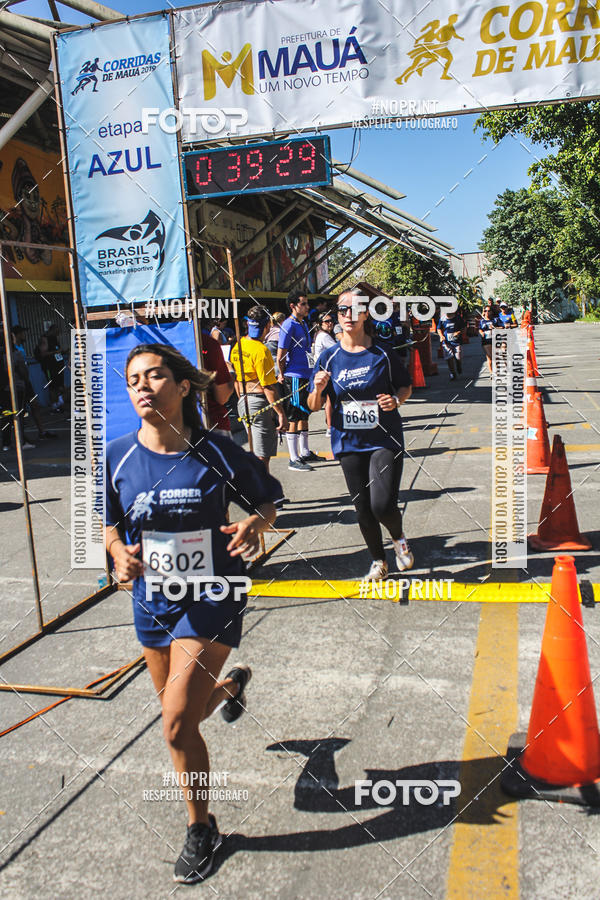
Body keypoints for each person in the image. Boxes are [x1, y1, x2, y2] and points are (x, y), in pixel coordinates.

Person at [105, 343, 282, 884]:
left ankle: (201, 828)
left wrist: (255, 525)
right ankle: (230, 690)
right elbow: (110, 523)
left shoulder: (218, 450)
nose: (142, 386)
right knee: (184, 721)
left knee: (177, 722)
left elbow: (268, 500)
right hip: (153, 602)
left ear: (182, 387)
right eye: (134, 378)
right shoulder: (117, 455)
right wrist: (118, 556)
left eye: (154, 375)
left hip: (214, 594)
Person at [308, 290, 414, 581]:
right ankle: (379, 561)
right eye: (342, 310)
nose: (347, 316)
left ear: (366, 314)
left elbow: (405, 386)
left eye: (354, 310)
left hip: (383, 438)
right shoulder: (328, 357)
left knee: (382, 504)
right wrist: (317, 389)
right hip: (347, 441)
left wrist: (397, 400)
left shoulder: (382, 353)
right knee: (362, 508)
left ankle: (398, 537)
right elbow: (313, 405)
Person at [230, 306, 288, 472]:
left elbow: (235, 378)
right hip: (259, 402)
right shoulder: (262, 351)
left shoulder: (238, 346)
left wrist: (241, 398)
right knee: (262, 454)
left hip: (243, 400)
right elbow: (268, 386)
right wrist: (280, 414)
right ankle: (264, 493)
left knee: (256, 449)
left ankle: (263, 490)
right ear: (267, 326)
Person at [277, 290, 322, 470]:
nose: (307, 306)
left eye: (306, 303)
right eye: (303, 304)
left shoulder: (302, 324)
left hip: (305, 375)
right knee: (294, 414)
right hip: (294, 376)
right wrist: (282, 374)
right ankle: (293, 458)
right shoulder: (288, 325)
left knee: (304, 413)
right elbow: (281, 354)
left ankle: (304, 452)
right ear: (293, 306)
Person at [200, 329, 234, 437]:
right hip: (211, 422)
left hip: (168, 428)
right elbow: (222, 396)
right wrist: (232, 373)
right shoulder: (206, 343)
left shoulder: (152, 342)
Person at [34, 323, 68, 411]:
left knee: (60, 385)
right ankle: (54, 405)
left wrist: (63, 351)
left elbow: (57, 351)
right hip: (50, 366)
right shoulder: (45, 339)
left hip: (58, 366)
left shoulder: (54, 339)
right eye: (57, 331)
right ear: (52, 330)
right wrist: (55, 352)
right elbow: (43, 353)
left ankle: (60, 404)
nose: (58, 333)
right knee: (52, 386)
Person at [437, 307, 465, 379]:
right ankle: (452, 373)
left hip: (457, 341)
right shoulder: (442, 318)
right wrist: (441, 336)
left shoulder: (458, 318)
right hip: (446, 341)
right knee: (449, 357)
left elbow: (463, 328)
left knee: (458, 357)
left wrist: (458, 332)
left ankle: (458, 365)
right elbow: (439, 328)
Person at [478, 306, 498, 376]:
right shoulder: (482, 321)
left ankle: (496, 370)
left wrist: (495, 328)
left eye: (488, 311)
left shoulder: (495, 320)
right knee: (489, 356)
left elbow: (502, 327)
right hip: (486, 340)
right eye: (485, 311)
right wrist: (481, 332)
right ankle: (491, 373)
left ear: (492, 312)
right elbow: (479, 328)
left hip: (495, 340)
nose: (487, 312)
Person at [265, 311, 286, 376]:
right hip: (277, 368)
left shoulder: (268, 331)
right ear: (282, 321)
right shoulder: (281, 332)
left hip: (267, 367)